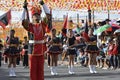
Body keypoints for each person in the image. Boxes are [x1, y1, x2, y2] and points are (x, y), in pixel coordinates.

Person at [22, 0, 50, 80]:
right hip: (32, 51)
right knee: (33, 70)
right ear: (32, 17)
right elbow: (23, 20)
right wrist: (24, 9)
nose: (37, 16)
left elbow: (48, 16)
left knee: (41, 70)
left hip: (41, 50)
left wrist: (43, 4)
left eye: (38, 15)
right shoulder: (29, 26)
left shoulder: (43, 25)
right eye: (35, 15)